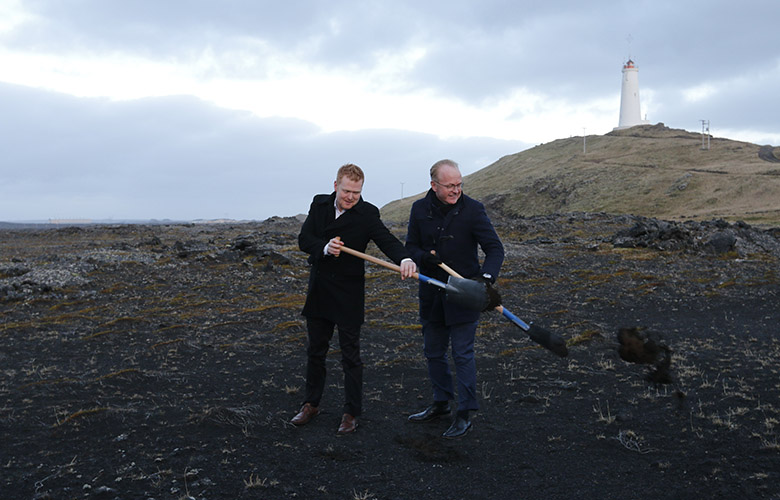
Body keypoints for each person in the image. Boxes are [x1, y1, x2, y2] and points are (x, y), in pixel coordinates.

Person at [292, 163, 417, 435]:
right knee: (316, 351)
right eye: (347, 191)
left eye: (357, 193)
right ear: (335, 185)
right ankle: (310, 404)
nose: (351, 197)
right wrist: (323, 247)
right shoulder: (319, 204)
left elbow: (387, 241)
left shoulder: (367, 213)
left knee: (351, 355)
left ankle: (351, 412)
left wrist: (406, 259)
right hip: (320, 289)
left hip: (349, 292)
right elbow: (305, 239)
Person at [405, 159, 504, 438]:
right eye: (450, 185)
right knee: (434, 352)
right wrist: (423, 257)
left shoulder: (472, 210)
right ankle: (441, 403)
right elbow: (410, 246)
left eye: (459, 184)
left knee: (462, 354)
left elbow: (495, 249)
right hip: (432, 294)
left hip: (465, 294)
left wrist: (485, 280)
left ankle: (465, 412)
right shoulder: (419, 209)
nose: (456, 190)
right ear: (434, 185)